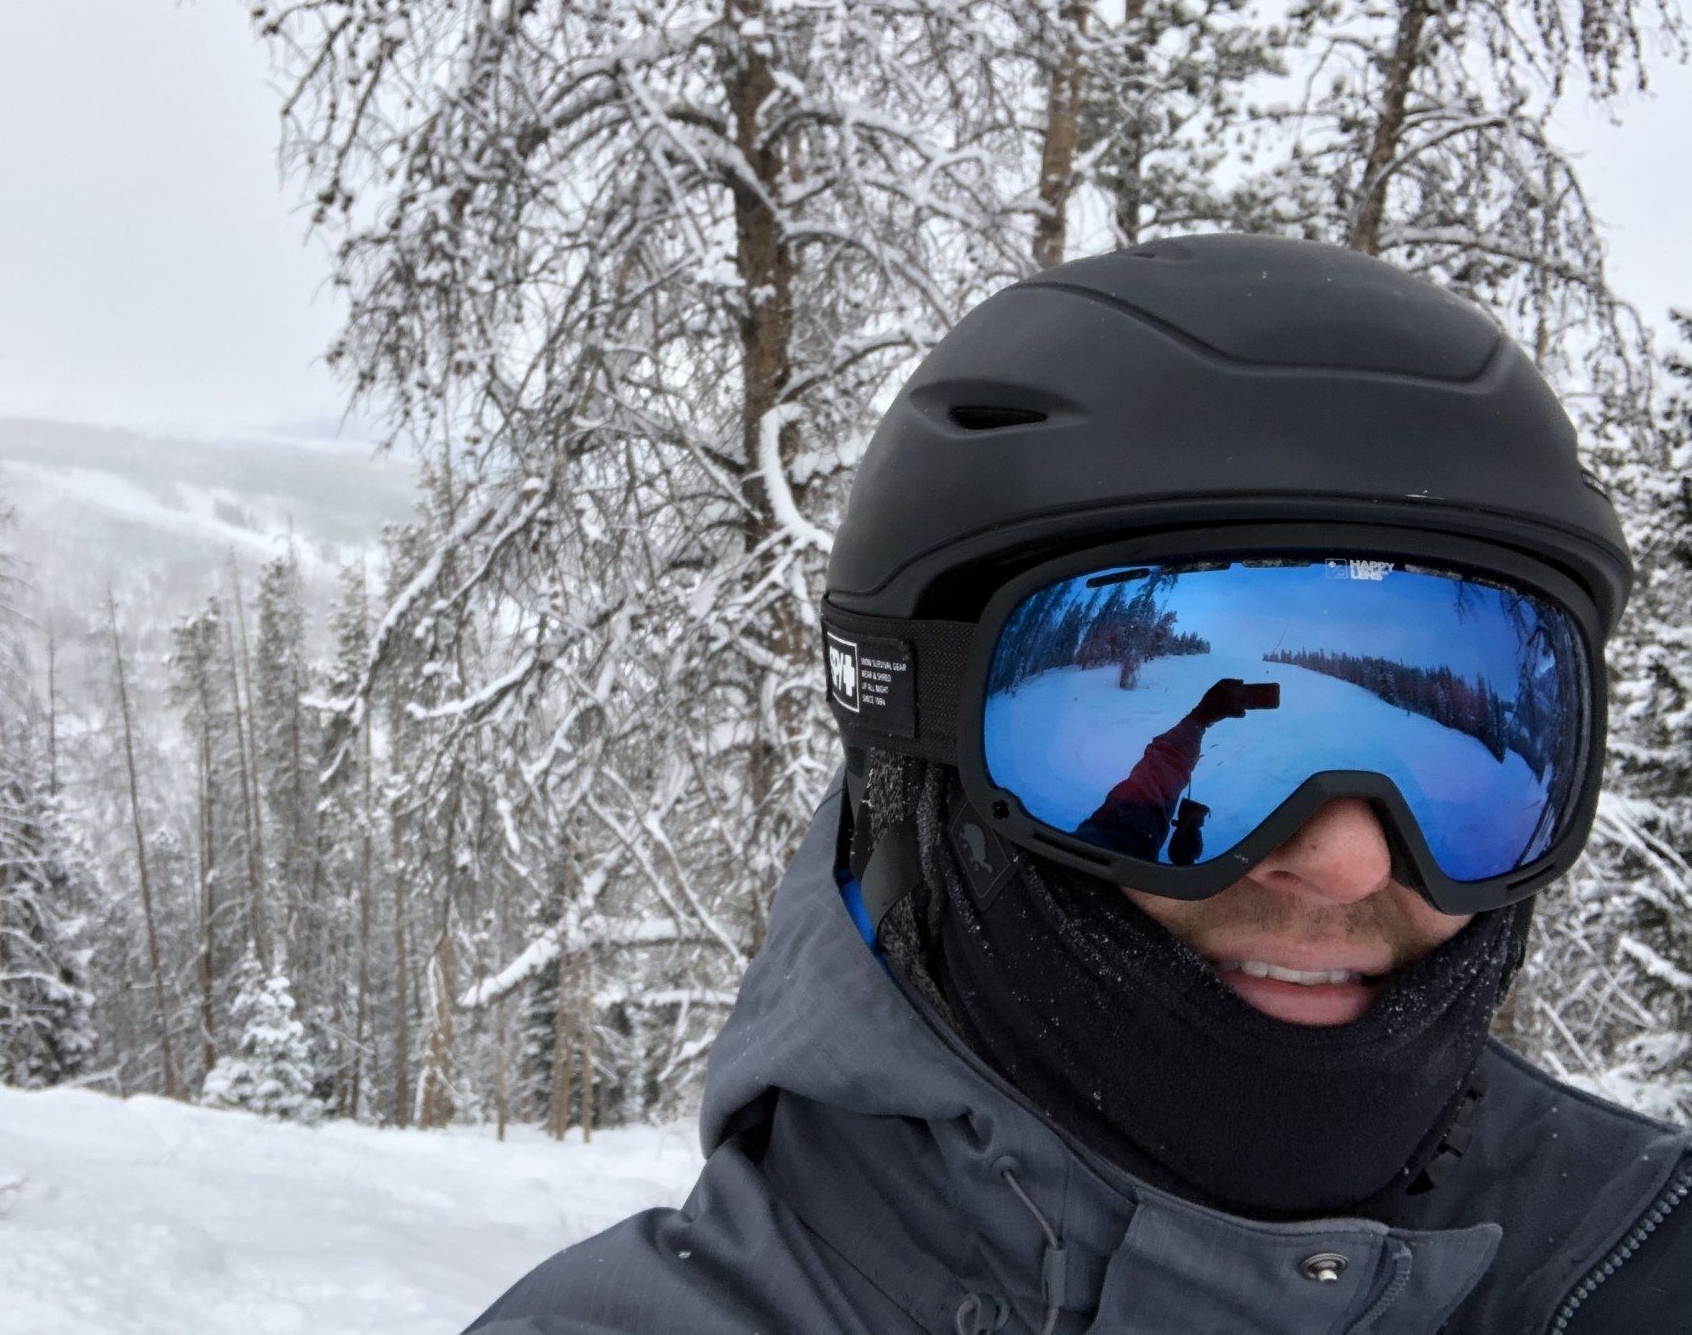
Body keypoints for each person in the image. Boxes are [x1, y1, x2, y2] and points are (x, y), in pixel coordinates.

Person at [465, 235, 1691, 1333]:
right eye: (1187, 664)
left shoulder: (1637, 1255)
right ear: (918, 765)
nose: (1350, 860)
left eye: (1470, 765)